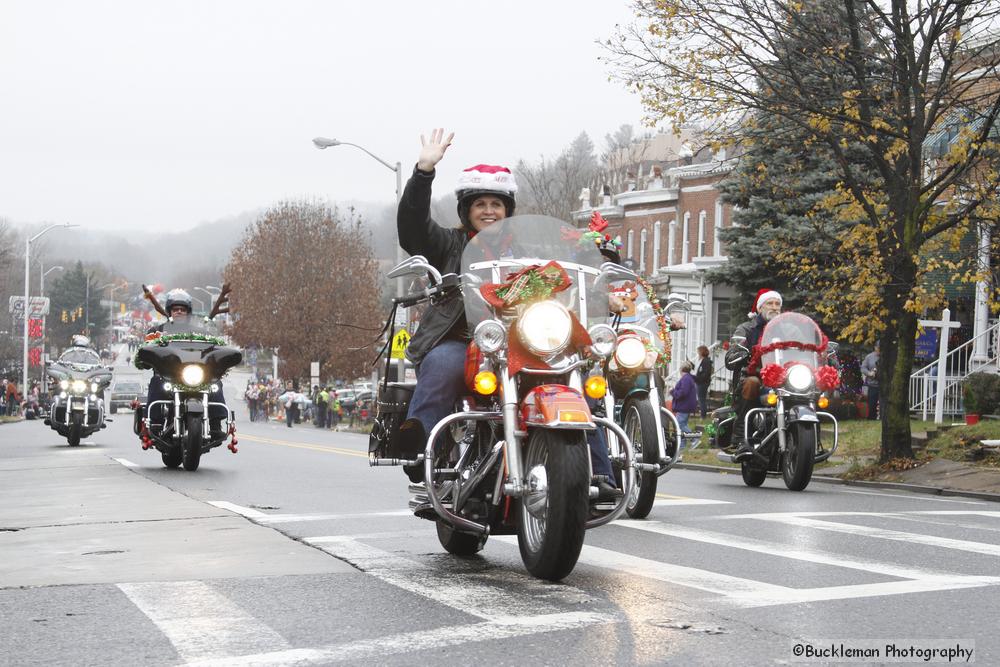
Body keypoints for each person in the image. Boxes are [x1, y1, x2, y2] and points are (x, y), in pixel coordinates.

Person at [144, 289, 227, 438]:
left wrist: (219, 359)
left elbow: (213, 347)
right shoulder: (157, 331)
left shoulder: (200, 332)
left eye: (183, 309)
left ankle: (215, 423)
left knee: (215, 383)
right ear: (169, 311)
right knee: (156, 381)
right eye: (175, 309)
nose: (179, 312)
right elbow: (147, 349)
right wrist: (147, 357)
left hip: (194, 374)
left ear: (188, 312)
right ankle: (154, 423)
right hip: (168, 375)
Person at [724, 288, 783, 461]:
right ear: (759, 308)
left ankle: (808, 438)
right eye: (769, 303)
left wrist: (820, 354)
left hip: (783, 379)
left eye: (777, 304)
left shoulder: (788, 328)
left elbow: (804, 345)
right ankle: (741, 437)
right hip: (755, 376)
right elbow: (732, 352)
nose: (774, 307)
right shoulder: (747, 328)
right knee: (751, 383)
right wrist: (740, 353)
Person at [670, 361, 699, 433]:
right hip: (685, 406)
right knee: (682, 425)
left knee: (679, 425)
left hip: (684, 406)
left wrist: (672, 391)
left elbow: (682, 393)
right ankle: (682, 444)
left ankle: (694, 438)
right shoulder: (688, 378)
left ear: (681, 369)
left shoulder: (686, 379)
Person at [861, 342, 880, 420]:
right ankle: (871, 418)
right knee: (872, 404)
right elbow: (863, 368)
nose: (880, 349)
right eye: (879, 347)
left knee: (885, 404)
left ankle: (883, 419)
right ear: (875, 347)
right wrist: (869, 373)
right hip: (872, 385)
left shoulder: (887, 357)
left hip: (884, 385)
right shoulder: (869, 357)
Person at [695, 345, 713, 418]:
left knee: (701, 399)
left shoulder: (706, 361)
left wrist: (698, 379)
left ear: (701, 352)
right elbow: (701, 371)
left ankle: (703, 416)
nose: (698, 353)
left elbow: (706, 373)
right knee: (701, 399)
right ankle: (703, 415)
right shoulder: (703, 360)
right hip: (701, 382)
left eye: (698, 351)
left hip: (702, 383)